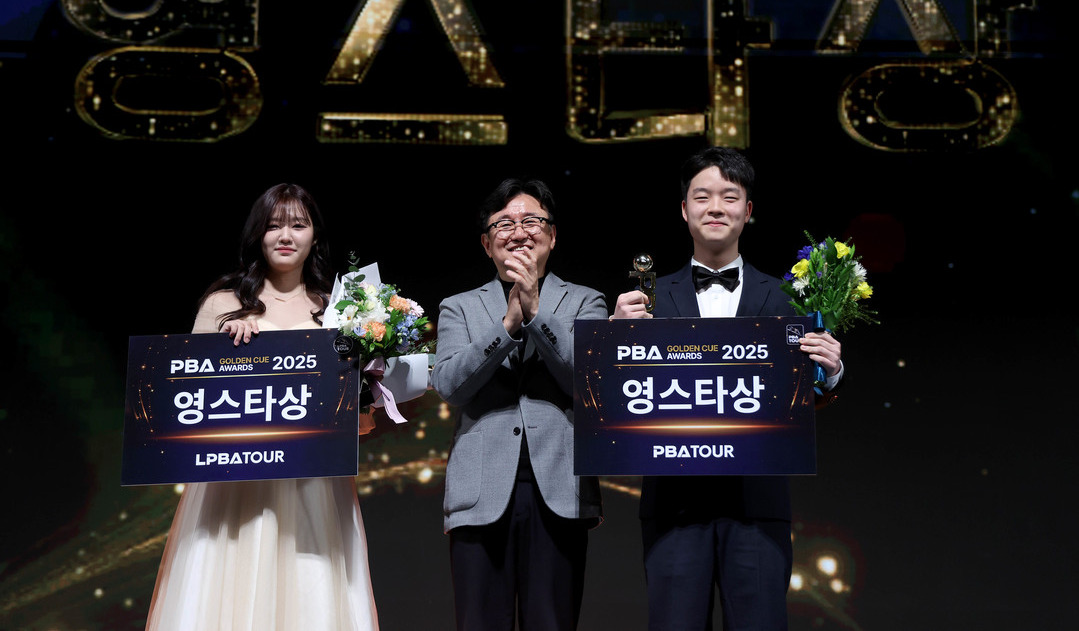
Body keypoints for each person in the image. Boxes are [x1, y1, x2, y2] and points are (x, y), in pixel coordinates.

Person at [146, 183, 426, 631]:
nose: (285, 235)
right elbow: (186, 403)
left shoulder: (338, 311)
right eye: (274, 225)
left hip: (312, 484)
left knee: (311, 597)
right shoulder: (224, 304)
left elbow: (356, 415)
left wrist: (359, 405)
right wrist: (227, 348)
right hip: (236, 482)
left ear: (314, 236)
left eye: (298, 224)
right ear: (258, 233)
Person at [612, 148, 844, 631]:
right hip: (674, 506)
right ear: (684, 209)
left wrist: (831, 370)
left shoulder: (787, 298)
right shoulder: (645, 301)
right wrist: (614, 340)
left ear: (748, 210)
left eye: (729, 197)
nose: (715, 207)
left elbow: (802, 397)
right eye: (702, 197)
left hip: (758, 506)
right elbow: (622, 396)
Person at [431, 178, 606, 631]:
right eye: (504, 224)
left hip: (561, 489)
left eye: (531, 221)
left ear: (553, 235)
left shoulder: (586, 301)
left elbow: (587, 382)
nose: (519, 232)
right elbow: (448, 385)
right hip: (479, 492)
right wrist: (508, 326)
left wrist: (536, 312)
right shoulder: (458, 307)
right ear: (487, 243)